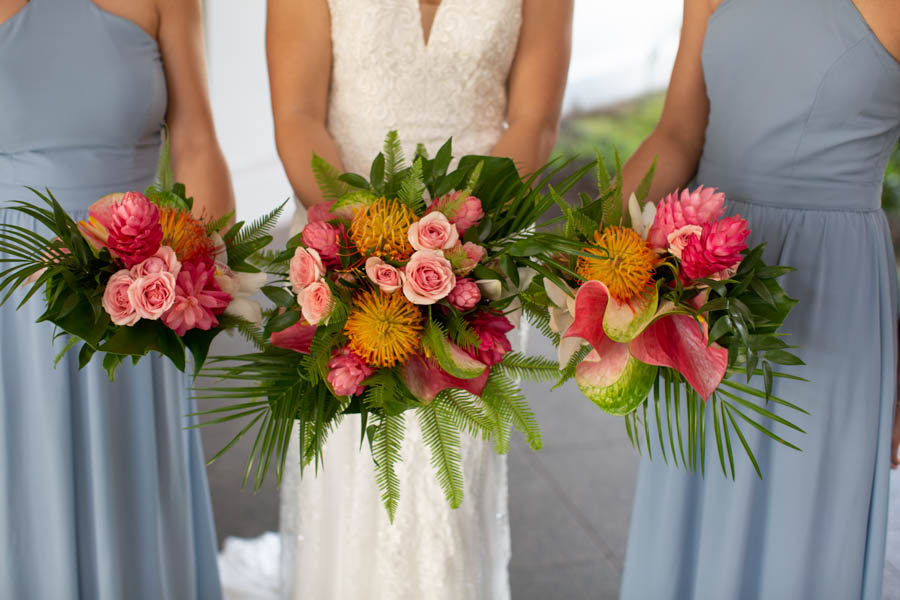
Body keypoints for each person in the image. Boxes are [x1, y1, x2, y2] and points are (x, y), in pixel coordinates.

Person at [267, 0, 572, 597]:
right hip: (350, 252)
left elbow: (532, 122)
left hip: (479, 258)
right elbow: (299, 115)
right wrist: (361, 243)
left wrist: (453, 250)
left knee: (450, 477)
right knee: (349, 464)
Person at [618, 0, 900, 598]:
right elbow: (678, 133)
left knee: (803, 526)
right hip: (698, 286)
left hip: (831, 290)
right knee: (691, 505)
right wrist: (600, 247)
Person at [0, 0, 233, 598]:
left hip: (135, 287)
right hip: (10, 293)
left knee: (131, 493)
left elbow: (197, 142)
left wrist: (188, 264)